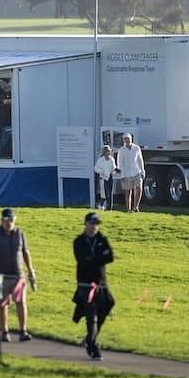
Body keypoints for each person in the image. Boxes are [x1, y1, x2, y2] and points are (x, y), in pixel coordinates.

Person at [0, 208, 36, 341]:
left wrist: (31, 270)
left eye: (11, 220)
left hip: (18, 274)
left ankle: (23, 331)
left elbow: (25, 252)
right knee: (2, 304)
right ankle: (4, 331)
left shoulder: (19, 233)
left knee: (20, 302)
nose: (9, 223)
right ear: (1, 220)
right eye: (6, 220)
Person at [73, 211, 115, 360]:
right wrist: (99, 258)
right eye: (91, 224)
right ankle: (92, 346)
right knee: (91, 315)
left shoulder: (102, 239)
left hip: (101, 284)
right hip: (86, 285)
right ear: (85, 224)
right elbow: (83, 261)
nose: (94, 227)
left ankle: (90, 339)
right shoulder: (79, 242)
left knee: (107, 306)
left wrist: (94, 259)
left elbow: (110, 257)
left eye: (96, 224)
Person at [116, 132, 145, 212]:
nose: (127, 140)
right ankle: (129, 209)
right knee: (128, 192)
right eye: (125, 139)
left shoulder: (136, 148)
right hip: (126, 173)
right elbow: (120, 163)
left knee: (139, 189)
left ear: (131, 139)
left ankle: (136, 207)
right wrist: (122, 175)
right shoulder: (121, 150)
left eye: (128, 139)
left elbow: (140, 160)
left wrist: (142, 171)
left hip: (137, 172)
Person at [93, 144, 116, 211]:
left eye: (109, 151)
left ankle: (109, 208)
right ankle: (101, 205)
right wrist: (103, 172)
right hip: (103, 177)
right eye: (107, 151)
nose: (108, 153)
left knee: (110, 192)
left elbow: (113, 167)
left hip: (110, 177)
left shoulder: (112, 159)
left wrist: (114, 170)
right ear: (104, 152)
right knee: (104, 193)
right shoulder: (100, 160)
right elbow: (96, 168)